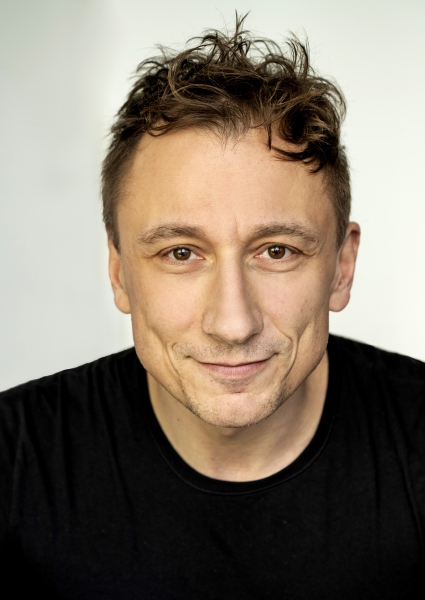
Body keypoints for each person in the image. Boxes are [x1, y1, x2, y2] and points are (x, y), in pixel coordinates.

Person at [1, 18, 424, 599]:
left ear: (341, 267)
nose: (233, 324)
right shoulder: (14, 462)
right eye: (181, 253)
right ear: (120, 271)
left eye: (277, 251)